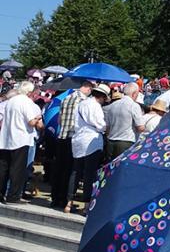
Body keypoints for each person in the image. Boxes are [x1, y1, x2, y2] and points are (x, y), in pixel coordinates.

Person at [65, 84, 109, 215]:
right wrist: (105, 127)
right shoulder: (95, 106)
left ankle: (69, 202)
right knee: (89, 174)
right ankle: (86, 204)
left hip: (78, 139)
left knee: (75, 172)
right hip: (91, 141)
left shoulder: (82, 103)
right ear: (102, 97)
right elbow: (99, 124)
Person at [51, 81, 93, 209]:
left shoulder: (66, 98)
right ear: (87, 88)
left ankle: (55, 198)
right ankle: (64, 199)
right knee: (70, 170)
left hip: (62, 135)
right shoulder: (83, 101)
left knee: (59, 168)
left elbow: (59, 119)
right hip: (73, 136)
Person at [0, 81, 42, 203]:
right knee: (17, 169)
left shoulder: (11, 101)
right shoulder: (26, 102)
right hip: (20, 138)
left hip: (6, 138)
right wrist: (37, 118)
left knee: (4, 168)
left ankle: (1, 192)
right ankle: (13, 196)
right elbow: (31, 122)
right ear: (30, 92)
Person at [104, 82, 145, 161]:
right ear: (134, 93)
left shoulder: (112, 105)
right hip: (126, 142)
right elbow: (140, 128)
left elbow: (107, 128)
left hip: (111, 142)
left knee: (110, 168)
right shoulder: (134, 105)